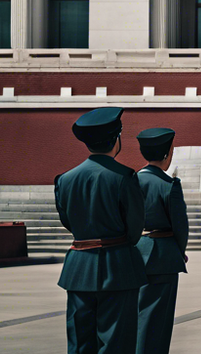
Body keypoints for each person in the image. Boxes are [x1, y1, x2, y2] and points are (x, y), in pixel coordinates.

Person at [56, 107, 147, 354]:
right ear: (116, 138)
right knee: (117, 341)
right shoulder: (126, 177)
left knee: (79, 341)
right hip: (118, 266)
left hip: (78, 267)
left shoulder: (64, 179)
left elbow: (68, 221)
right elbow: (135, 228)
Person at [133, 128, 189, 354]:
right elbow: (180, 225)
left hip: (134, 252)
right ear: (167, 154)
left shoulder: (129, 181)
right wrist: (180, 250)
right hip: (162, 255)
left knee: (133, 315)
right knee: (157, 321)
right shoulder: (169, 185)